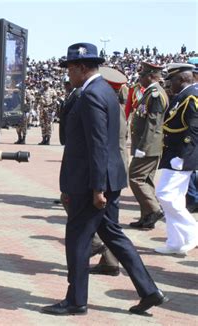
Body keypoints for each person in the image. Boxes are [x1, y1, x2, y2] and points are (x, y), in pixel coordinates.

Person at [42, 43, 167, 316]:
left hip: (91, 183)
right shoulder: (101, 91)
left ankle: (76, 301)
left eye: (70, 70)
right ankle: (149, 291)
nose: (68, 75)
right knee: (114, 236)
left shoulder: (91, 95)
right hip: (105, 178)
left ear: (81, 68)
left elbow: (97, 144)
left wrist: (97, 188)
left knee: (77, 240)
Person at [89, 66, 129, 276]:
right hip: (113, 167)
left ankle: (98, 246)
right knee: (110, 218)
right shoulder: (115, 104)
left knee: (105, 218)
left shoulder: (110, 106)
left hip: (108, 168)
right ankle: (110, 261)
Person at [155, 63, 198, 255]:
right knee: (174, 198)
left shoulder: (192, 96)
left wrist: (183, 156)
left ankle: (192, 231)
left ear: (181, 79)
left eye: (171, 80)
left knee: (165, 195)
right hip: (173, 153)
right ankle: (176, 242)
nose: (169, 84)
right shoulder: (183, 95)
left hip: (181, 154)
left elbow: (194, 129)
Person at [128, 62, 168, 229]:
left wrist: (142, 148)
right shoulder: (150, 93)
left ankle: (154, 209)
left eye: (142, 76)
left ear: (151, 76)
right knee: (146, 180)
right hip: (148, 145)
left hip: (148, 146)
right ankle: (147, 217)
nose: (140, 79)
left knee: (135, 177)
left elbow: (153, 124)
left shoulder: (156, 94)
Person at [38, 79, 57, 145]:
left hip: (49, 109)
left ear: (49, 83)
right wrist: (35, 109)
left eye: (46, 83)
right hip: (42, 109)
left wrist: (54, 110)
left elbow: (55, 101)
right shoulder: (40, 91)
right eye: (44, 83)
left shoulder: (52, 91)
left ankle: (48, 139)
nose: (45, 84)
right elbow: (37, 100)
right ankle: (44, 138)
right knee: (43, 124)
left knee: (48, 125)